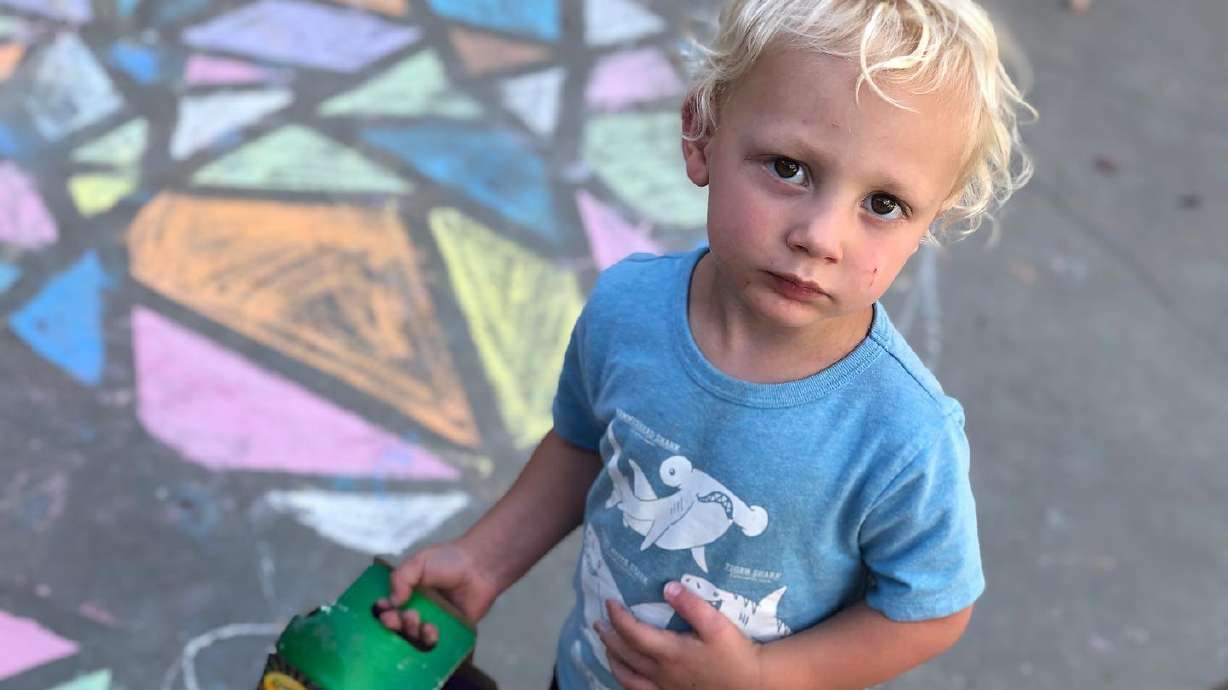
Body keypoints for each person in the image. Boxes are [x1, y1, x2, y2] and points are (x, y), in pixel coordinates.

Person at [376, 0, 1034, 687]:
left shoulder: (901, 433)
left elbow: (929, 610)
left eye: (883, 205)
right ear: (701, 133)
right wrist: (485, 561)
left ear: (932, 221)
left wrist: (760, 677)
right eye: (789, 168)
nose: (820, 236)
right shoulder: (628, 310)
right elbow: (581, 444)